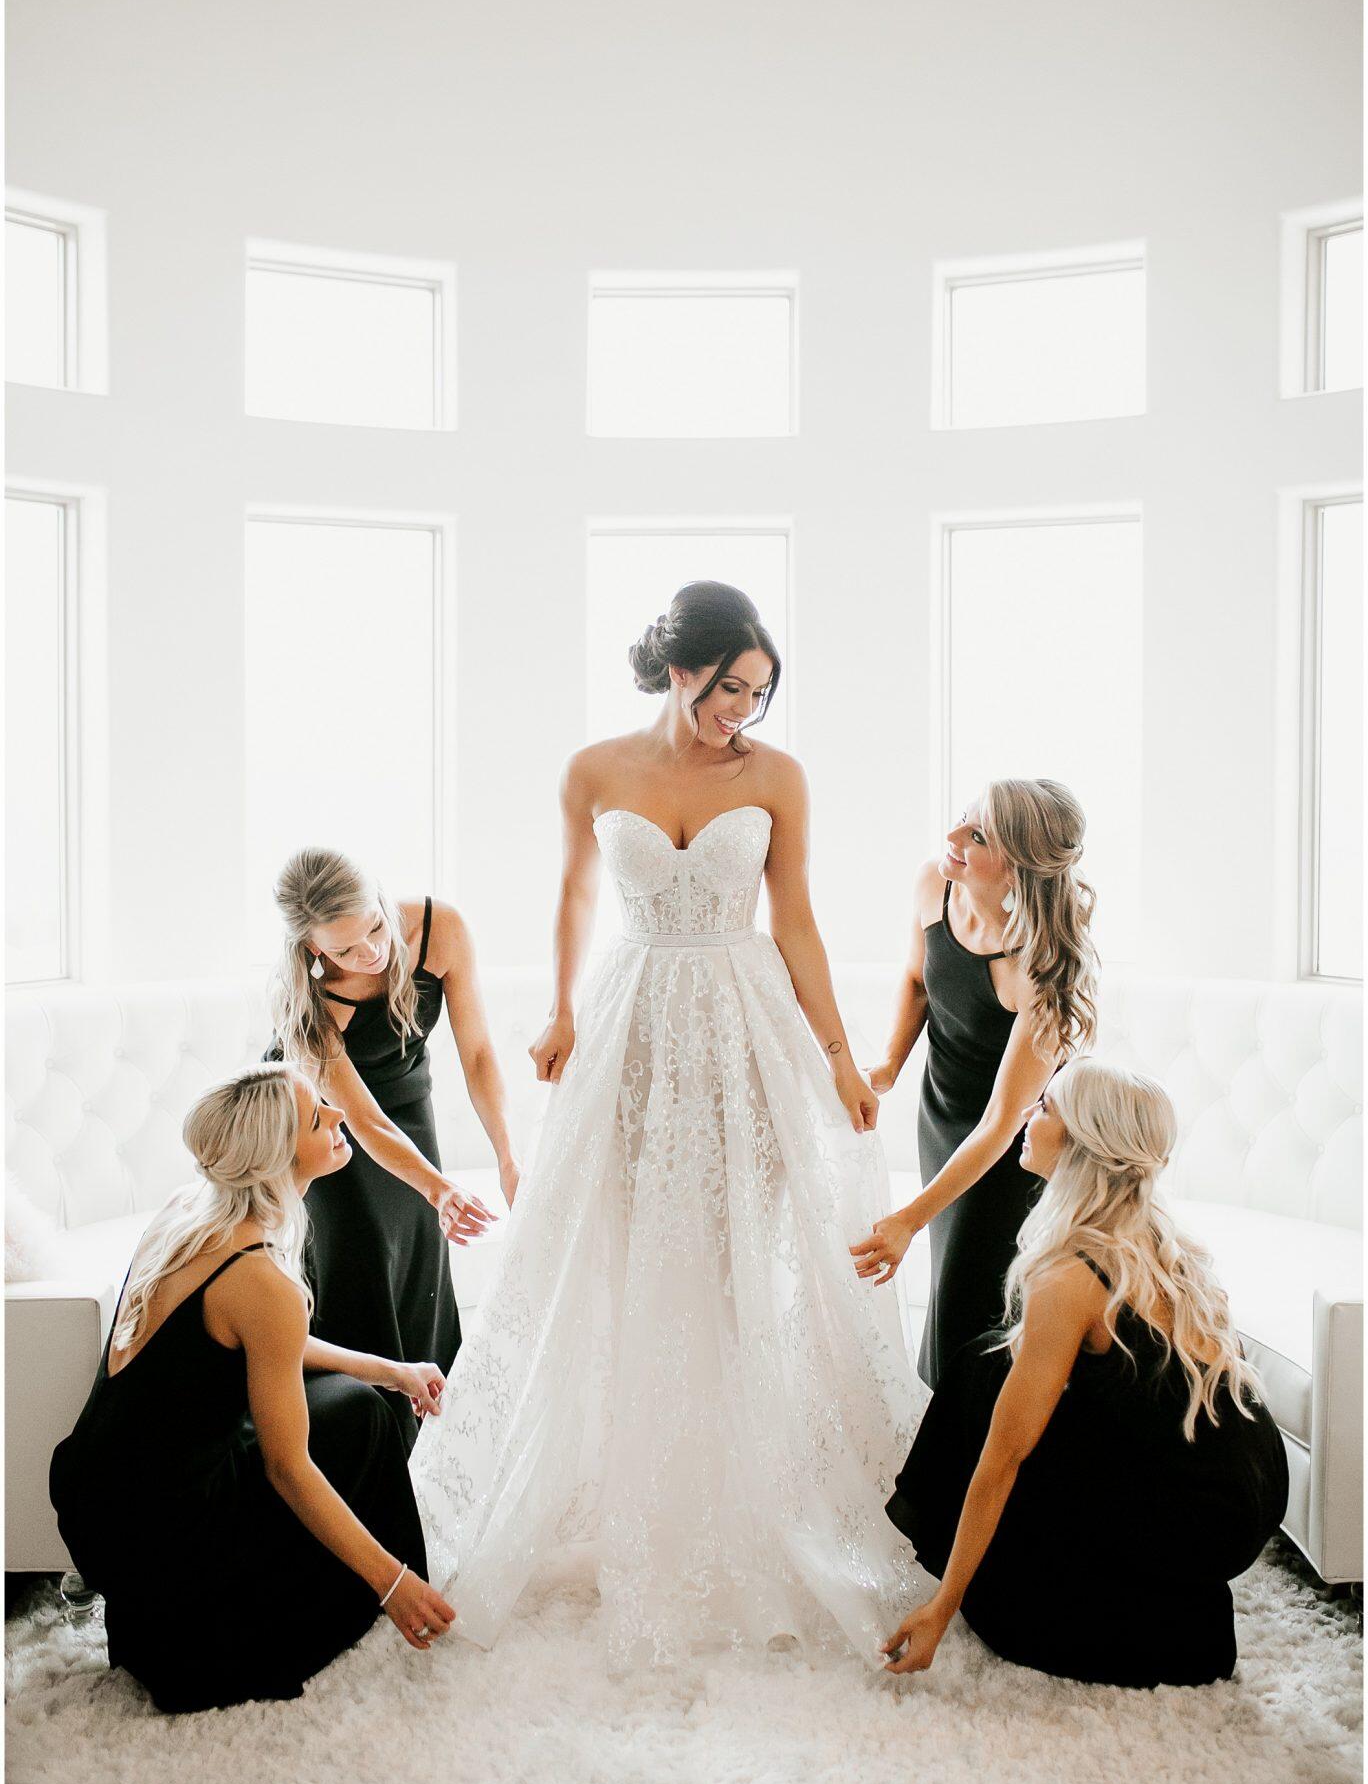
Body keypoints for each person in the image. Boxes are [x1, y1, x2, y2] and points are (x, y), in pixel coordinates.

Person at [411, 580, 924, 1670]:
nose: (745, 708)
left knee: (746, 1251)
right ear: (680, 666)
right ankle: (632, 1483)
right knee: (630, 1250)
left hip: (745, 1021)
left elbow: (794, 913)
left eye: (761, 691)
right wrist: (555, 1006)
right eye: (730, 685)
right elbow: (575, 897)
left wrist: (838, 1054)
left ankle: (752, 1490)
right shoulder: (595, 768)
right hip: (632, 1019)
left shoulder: (776, 777)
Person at [49, 1064, 456, 1713]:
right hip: (168, 1534)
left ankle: (379, 1565)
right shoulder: (259, 1278)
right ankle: (402, 1590)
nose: (340, 1117)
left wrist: (392, 1369)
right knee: (360, 1422)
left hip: (103, 1500)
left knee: (357, 1400)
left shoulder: (188, 1210)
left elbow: (268, 1341)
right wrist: (390, 1581)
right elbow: (287, 1467)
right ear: (277, 1154)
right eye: (319, 1117)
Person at [881, 1058, 1289, 1689]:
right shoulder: (1150, 1234)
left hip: (1197, 1514)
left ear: (1080, 1144)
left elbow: (1004, 1456)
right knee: (993, 1359)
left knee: (982, 1386)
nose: (1026, 1116)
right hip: (1236, 1490)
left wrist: (946, 1606)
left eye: (1043, 1107)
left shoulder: (1073, 1271)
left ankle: (1063, 1593)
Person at [851, 780, 1098, 1387]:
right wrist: (887, 1067)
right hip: (941, 1112)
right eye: (963, 819)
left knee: (971, 1303)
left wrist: (906, 1217)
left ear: (1018, 869)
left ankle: (972, 1459)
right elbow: (917, 981)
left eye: (978, 835)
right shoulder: (936, 884)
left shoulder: (1048, 974)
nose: (952, 837)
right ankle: (951, 1451)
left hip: (1013, 1153)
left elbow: (1001, 1125)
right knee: (948, 1288)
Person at [271, 851, 520, 1449]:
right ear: (313, 952)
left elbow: (480, 1055)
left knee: (422, 1258)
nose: (371, 954)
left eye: (376, 928)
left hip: (408, 1099)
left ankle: (436, 1450)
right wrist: (441, 1186)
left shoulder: (441, 929)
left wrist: (507, 1156)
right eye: (345, 950)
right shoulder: (308, 1004)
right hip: (322, 1125)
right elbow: (363, 1122)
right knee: (357, 1257)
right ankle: (369, 1446)